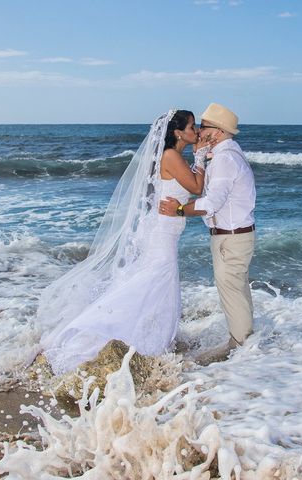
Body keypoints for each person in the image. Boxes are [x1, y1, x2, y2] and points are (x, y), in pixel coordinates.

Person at [35, 109, 206, 375]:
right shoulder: (172, 156)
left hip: (164, 231)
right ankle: (109, 332)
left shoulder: (173, 156)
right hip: (161, 233)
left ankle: (146, 340)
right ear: (177, 133)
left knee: (152, 285)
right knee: (152, 282)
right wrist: (203, 157)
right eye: (193, 127)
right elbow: (196, 188)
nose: (197, 131)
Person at [159, 103, 256, 353]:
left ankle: (242, 348)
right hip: (234, 236)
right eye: (198, 126)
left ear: (219, 132)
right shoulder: (227, 154)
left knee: (233, 292)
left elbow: (211, 203)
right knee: (238, 291)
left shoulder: (224, 159)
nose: (200, 132)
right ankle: (246, 345)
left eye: (204, 127)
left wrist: (180, 210)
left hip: (231, 238)